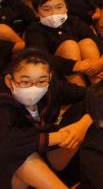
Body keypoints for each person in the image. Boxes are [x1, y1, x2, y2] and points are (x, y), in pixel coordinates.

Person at [0, 49, 91, 189]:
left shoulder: (52, 87)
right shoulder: (4, 102)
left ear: (50, 77)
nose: (34, 88)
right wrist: (55, 137)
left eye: (41, 81)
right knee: (20, 152)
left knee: (85, 108)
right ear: (9, 80)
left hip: (45, 155)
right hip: (12, 168)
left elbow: (95, 94)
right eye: (25, 82)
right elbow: (5, 142)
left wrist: (83, 124)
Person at [24, 0, 103, 86]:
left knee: (87, 42)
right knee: (69, 46)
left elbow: (98, 42)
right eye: (46, 9)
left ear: (66, 7)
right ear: (37, 12)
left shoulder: (74, 22)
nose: (54, 13)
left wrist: (102, 61)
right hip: (57, 76)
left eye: (59, 7)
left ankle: (101, 89)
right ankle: (80, 91)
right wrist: (77, 65)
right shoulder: (34, 30)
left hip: (87, 69)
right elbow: (39, 57)